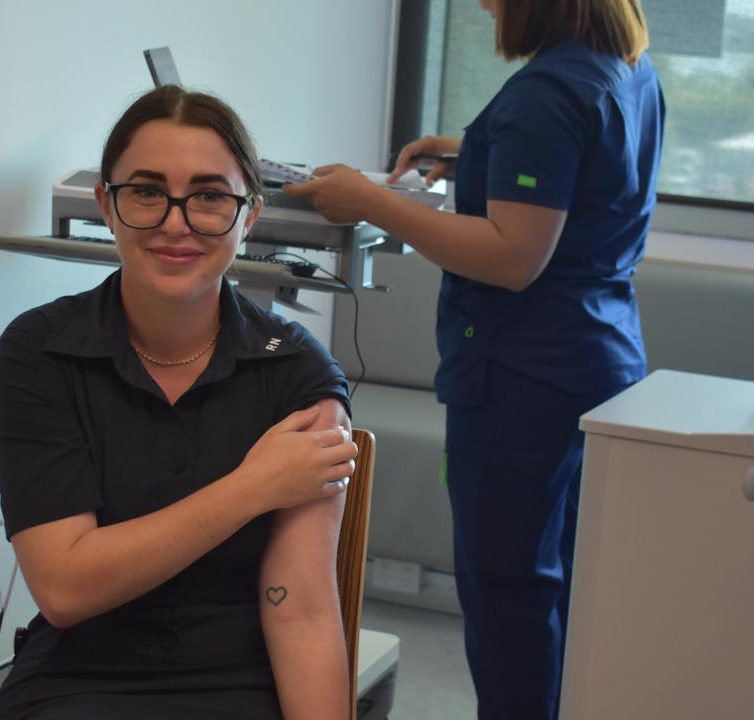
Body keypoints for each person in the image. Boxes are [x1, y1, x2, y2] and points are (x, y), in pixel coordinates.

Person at [284, 0, 663, 716]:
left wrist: (367, 199)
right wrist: (475, 147)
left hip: (523, 378)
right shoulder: (625, 68)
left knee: (508, 592)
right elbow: (581, 164)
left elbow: (513, 256)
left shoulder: (544, 94)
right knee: (557, 586)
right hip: (598, 358)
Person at [0, 85, 358, 720]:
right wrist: (253, 487)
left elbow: (300, 610)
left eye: (210, 196)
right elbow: (66, 590)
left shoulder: (296, 374)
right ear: (106, 203)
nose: (175, 221)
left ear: (250, 215)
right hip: (81, 675)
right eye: (147, 192)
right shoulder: (40, 351)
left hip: (241, 678)